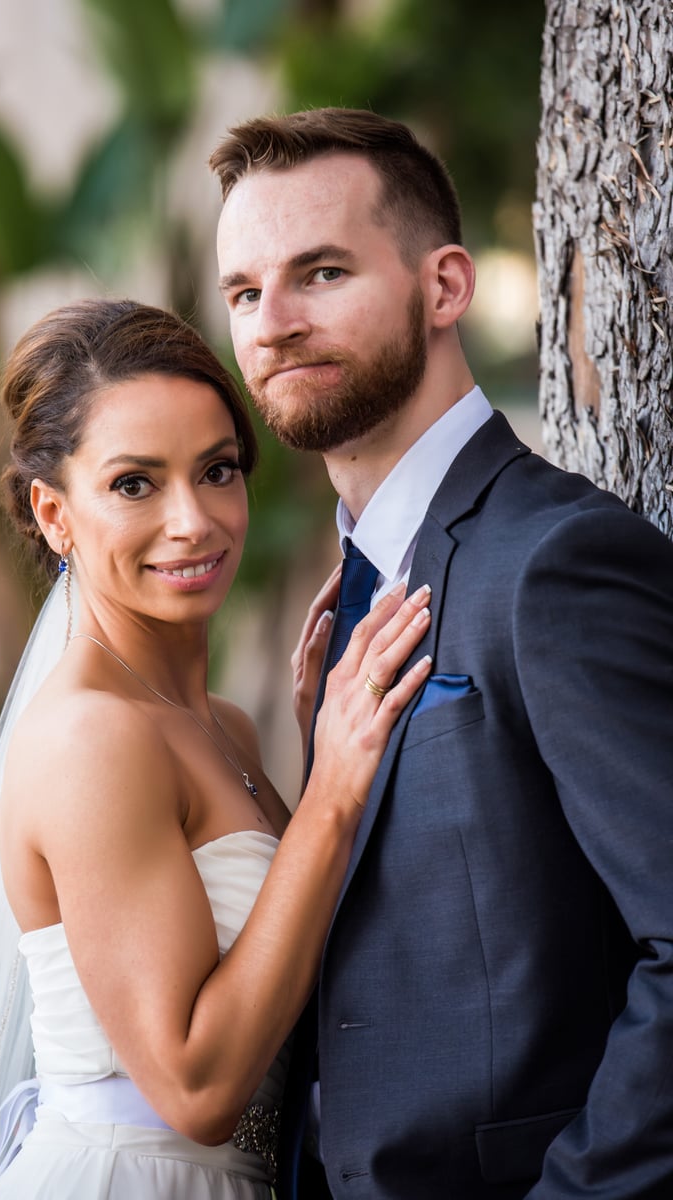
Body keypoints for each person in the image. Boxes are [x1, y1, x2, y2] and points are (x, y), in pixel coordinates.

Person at [209, 107, 673, 1198]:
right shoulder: (348, 596)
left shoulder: (556, 563)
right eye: (244, 292)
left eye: (321, 273)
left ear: (445, 286)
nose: (273, 324)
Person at [0, 299, 433, 1200]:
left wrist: (313, 743)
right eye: (135, 484)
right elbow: (196, 1086)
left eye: (217, 470)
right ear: (54, 514)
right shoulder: (94, 736)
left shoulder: (222, 726)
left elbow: (283, 964)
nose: (194, 521)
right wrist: (330, 794)